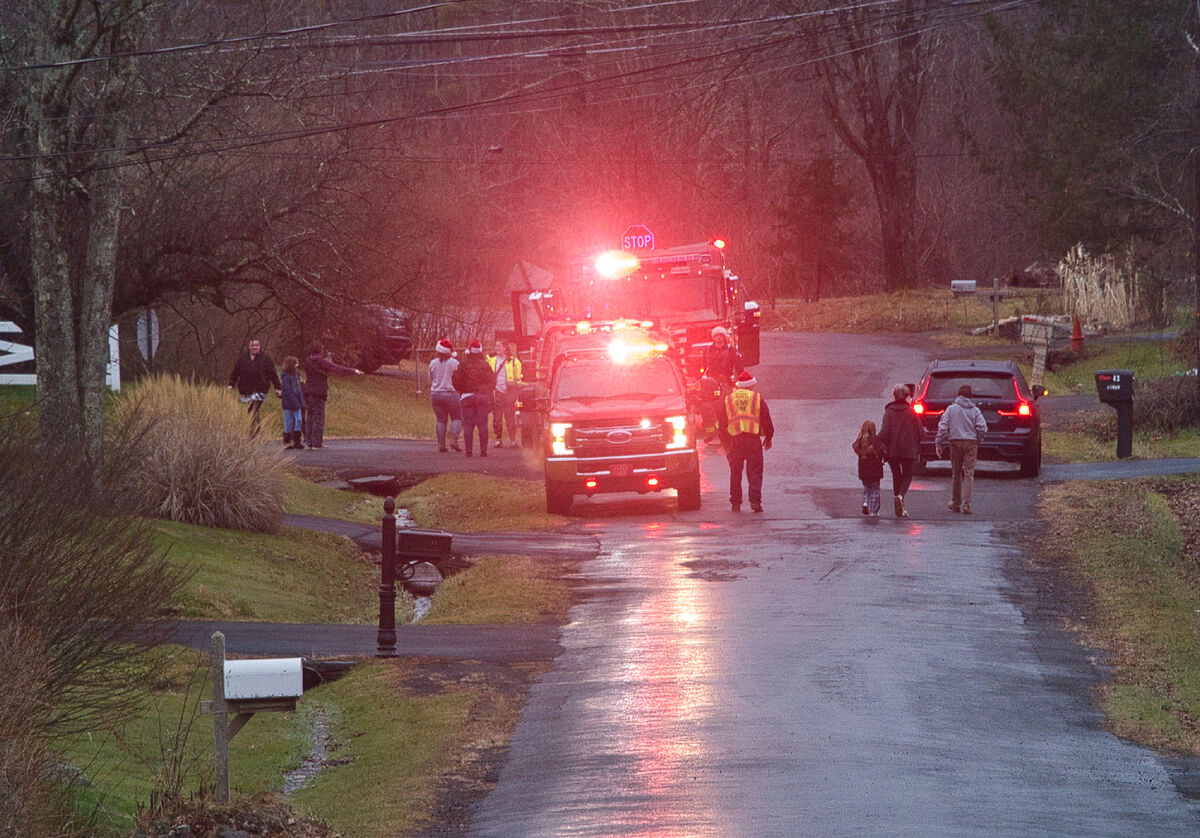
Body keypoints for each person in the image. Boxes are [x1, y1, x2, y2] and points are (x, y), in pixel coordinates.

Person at [718, 370, 774, 513]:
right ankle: (755, 502)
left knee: (735, 472)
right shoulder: (756, 398)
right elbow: (766, 418)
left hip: (735, 442)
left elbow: (722, 421)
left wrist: (725, 442)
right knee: (754, 472)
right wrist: (769, 437)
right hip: (753, 441)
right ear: (751, 386)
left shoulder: (729, 399)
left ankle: (735, 503)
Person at [935, 383, 989, 514]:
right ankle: (967, 505)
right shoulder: (975, 410)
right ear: (970, 396)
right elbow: (983, 427)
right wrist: (978, 439)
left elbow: (943, 426)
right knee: (969, 474)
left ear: (958, 395)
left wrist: (938, 442)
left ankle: (956, 502)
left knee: (956, 474)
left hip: (954, 442)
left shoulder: (951, 409)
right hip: (971, 443)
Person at [301, 341, 363, 449]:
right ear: (320, 350)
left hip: (308, 391)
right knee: (318, 418)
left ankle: (309, 442)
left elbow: (320, 371)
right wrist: (353, 371)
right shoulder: (321, 361)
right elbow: (337, 368)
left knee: (310, 417)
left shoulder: (307, 361)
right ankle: (317, 443)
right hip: (319, 392)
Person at [877, 383, 923, 518]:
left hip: (892, 451)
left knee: (896, 475)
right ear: (907, 395)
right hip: (908, 450)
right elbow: (920, 431)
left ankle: (898, 501)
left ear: (894, 395)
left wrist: (874, 442)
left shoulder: (889, 411)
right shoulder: (912, 411)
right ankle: (901, 497)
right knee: (907, 475)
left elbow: (884, 433)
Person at [227, 338, 282, 436]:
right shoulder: (243, 359)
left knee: (253, 408)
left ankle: (254, 433)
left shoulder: (265, 359)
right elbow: (236, 372)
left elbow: (273, 374)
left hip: (260, 389)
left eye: (257, 345)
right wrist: (231, 384)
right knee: (250, 410)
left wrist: (278, 388)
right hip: (246, 389)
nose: (255, 347)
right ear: (249, 347)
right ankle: (253, 431)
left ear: (260, 347)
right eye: (253, 345)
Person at [452, 339, 497, 458]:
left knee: (468, 425)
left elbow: (455, 381)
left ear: (469, 352)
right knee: (483, 425)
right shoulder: (485, 365)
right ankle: (483, 451)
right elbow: (493, 381)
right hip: (482, 397)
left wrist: (463, 389)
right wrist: (485, 391)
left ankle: (469, 451)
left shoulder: (463, 365)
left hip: (467, 397)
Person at [429, 339, 462, 452]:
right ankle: (454, 440)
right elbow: (459, 379)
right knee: (456, 417)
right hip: (451, 393)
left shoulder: (433, 363)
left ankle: (441, 444)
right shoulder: (454, 363)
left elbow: (431, 377)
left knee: (441, 420)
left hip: (435, 394)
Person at [489, 340, 522, 447]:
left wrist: (518, 393)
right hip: (497, 393)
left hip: (509, 394)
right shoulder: (491, 360)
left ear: (505, 348)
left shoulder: (514, 362)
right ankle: (498, 440)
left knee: (510, 418)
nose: (496, 348)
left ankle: (512, 440)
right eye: (495, 346)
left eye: (499, 346)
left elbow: (518, 379)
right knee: (497, 418)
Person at [852, 419, 885, 516]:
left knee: (866, 488)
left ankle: (865, 502)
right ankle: (874, 511)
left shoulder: (860, 442)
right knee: (875, 490)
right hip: (875, 470)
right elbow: (883, 451)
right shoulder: (877, 441)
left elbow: (856, 448)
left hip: (863, 469)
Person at [702, 326, 743, 393]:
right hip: (711, 381)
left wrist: (741, 378)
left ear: (724, 337)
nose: (719, 337)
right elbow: (703, 364)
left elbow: (738, 365)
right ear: (713, 337)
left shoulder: (730, 350)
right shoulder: (707, 350)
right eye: (716, 335)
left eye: (721, 335)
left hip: (727, 380)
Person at [279, 356, 306, 449]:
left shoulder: (295, 376)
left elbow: (297, 390)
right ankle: (287, 441)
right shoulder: (286, 377)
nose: (297, 365)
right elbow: (289, 391)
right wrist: (296, 402)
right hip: (288, 403)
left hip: (296, 403)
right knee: (288, 422)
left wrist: (301, 401)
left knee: (298, 420)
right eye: (296, 363)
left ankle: (296, 441)